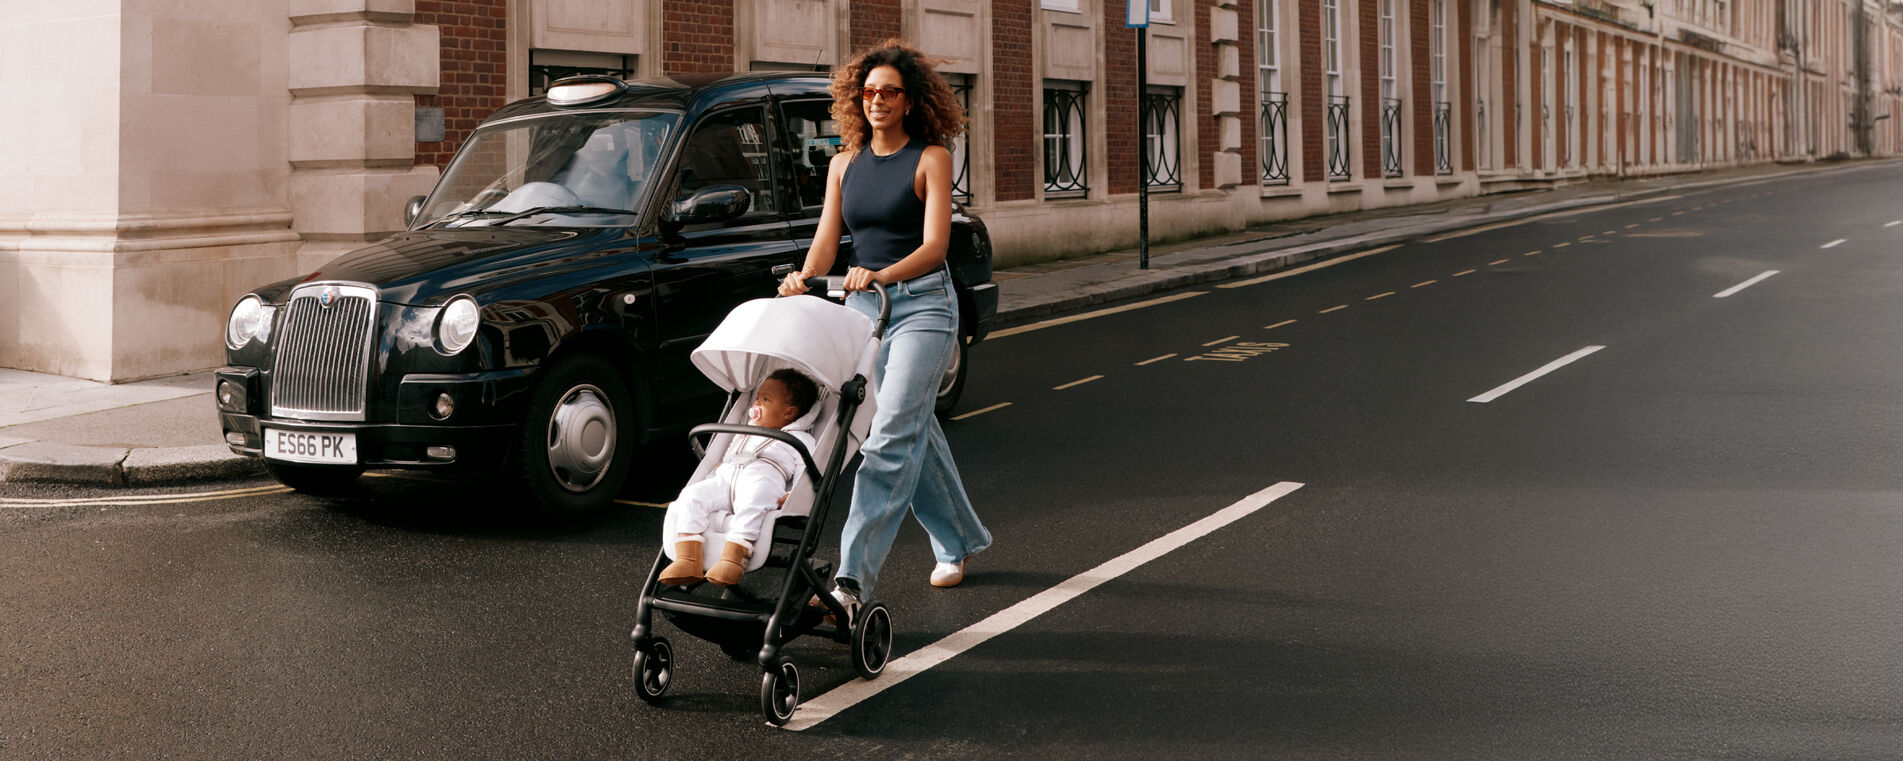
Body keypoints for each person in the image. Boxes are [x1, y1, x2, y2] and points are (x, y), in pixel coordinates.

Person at [778, 39, 992, 616]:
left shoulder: (931, 158)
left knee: (890, 434)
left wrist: (881, 275)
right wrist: (803, 276)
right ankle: (961, 540)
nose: (877, 101)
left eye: (889, 92)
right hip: (863, 312)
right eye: (868, 91)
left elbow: (936, 246)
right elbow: (828, 242)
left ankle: (851, 584)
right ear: (858, 98)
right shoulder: (844, 164)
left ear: (909, 100)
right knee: (908, 426)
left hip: (923, 305)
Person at [659, 368, 820, 587]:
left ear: (788, 413)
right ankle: (688, 558)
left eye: (765, 400)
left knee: (755, 500)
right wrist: (717, 470)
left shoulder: (799, 439)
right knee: (691, 496)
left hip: (763, 478)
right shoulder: (746, 429)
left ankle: (733, 559)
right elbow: (731, 451)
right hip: (727, 478)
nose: (755, 405)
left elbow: (807, 467)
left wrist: (795, 494)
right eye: (756, 398)